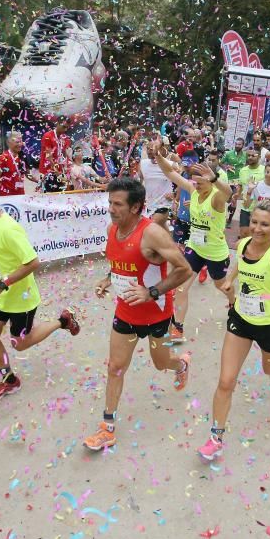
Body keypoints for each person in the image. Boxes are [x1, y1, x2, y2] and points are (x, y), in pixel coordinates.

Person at [83, 177, 193, 451]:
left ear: (136, 208)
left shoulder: (152, 234)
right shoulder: (113, 229)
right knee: (115, 367)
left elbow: (184, 270)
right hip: (125, 314)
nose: (111, 208)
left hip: (157, 315)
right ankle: (107, 427)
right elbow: (120, 263)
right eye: (110, 202)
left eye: (118, 204)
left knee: (161, 362)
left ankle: (181, 365)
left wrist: (152, 292)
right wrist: (107, 279)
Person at [197, 198, 270, 461]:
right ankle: (216, 437)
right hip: (241, 320)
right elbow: (241, 264)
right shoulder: (245, 243)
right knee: (226, 381)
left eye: (265, 225)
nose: (257, 229)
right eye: (255, 222)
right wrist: (230, 281)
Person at [0, 181, 80, 401]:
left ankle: (62, 321)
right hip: (0, 296)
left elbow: (33, 262)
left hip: (20, 298)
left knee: (20, 344)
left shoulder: (8, 229)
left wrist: (2, 284)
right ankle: (9, 380)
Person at [154, 146, 233, 343]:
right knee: (180, 288)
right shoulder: (193, 190)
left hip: (216, 252)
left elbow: (229, 193)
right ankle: (178, 327)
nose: (195, 186)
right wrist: (158, 156)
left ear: (210, 180)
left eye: (200, 182)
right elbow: (170, 172)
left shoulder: (217, 197)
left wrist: (215, 179)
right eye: (194, 182)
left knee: (221, 286)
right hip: (195, 247)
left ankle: (233, 302)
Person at [139, 138, 175, 229]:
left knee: (149, 226)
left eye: (153, 148)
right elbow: (140, 182)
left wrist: (174, 193)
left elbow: (182, 182)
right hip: (150, 204)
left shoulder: (170, 164)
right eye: (148, 148)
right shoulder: (143, 163)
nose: (149, 151)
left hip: (164, 204)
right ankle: (170, 243)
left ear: (162, 149)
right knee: (163, 229)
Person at [237, 148, 266, 238]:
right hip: (245, 207)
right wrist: (236, 195)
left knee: (255, 235)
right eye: (248, 155)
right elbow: (241, 185)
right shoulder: (243, 170)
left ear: (260, 157)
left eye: (253, 156)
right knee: (243, 233)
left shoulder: (265, 170)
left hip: (260, 208)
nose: (250, 157)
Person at [39, 119, 71, 193]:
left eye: (67, 128)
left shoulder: (64, 138)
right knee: (48, 198)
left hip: (59, 172)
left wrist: (67, 169)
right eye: (64, 127)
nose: (65, 130)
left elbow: (64, 154)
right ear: (57, 124)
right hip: (48, 171)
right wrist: (56, 171)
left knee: (60, 196)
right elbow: (48, 156)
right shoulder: (48, 136)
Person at [0, 130, 26, 196]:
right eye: (17, 142)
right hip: (6, 196)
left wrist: (40, 181)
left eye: (21, 141)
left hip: (20, 195)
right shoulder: (2, 158)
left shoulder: (22, 156)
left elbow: (28, 174)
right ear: (8, 143)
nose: (20, 144)